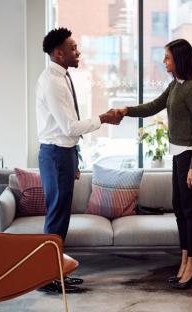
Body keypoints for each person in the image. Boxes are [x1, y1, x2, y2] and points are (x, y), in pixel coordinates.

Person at [116, 39, 192, 289]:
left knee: (190, 211)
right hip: (179, 156)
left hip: (190, 156)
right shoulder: (175, 86)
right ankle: (184, 259)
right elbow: (153, 106)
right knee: (179, 208)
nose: (164, 61)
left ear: (179, 59)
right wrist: (126, 110)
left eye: (167, 57)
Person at [36, 27, 122, 294]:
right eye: (73, 48)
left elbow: (68, 132)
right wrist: (103, 118)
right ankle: (48, 277)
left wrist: (74, 159)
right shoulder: (51, 81)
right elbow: (69, 127)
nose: (78, 52)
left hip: (63, 155)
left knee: (61, 218)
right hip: (55, 154)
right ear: (59, 53)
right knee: (57, 216)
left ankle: (55, 273)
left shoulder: (62, 76)